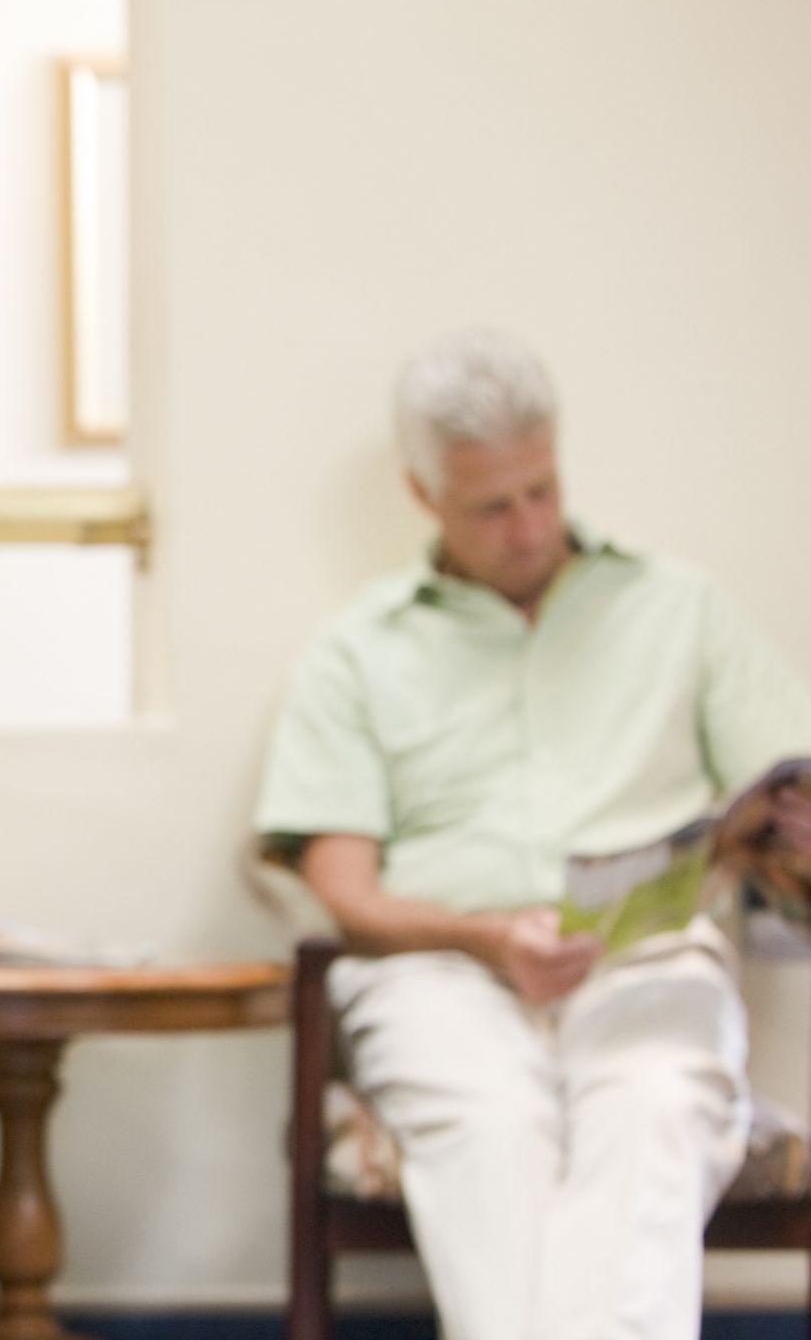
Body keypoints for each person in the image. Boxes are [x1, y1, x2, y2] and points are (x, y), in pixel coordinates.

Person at [255, 329, 811, 1340]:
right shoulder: (355, 653)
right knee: (489, 1132)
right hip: (438, 972)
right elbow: (343, 890)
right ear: (423, 495)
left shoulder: (677, 606)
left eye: (541, 490)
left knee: (654, 1103)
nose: (528, 526)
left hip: (645, 959)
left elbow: (786, 803)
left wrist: (793, 829)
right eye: (491, 506)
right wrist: (485, 939)